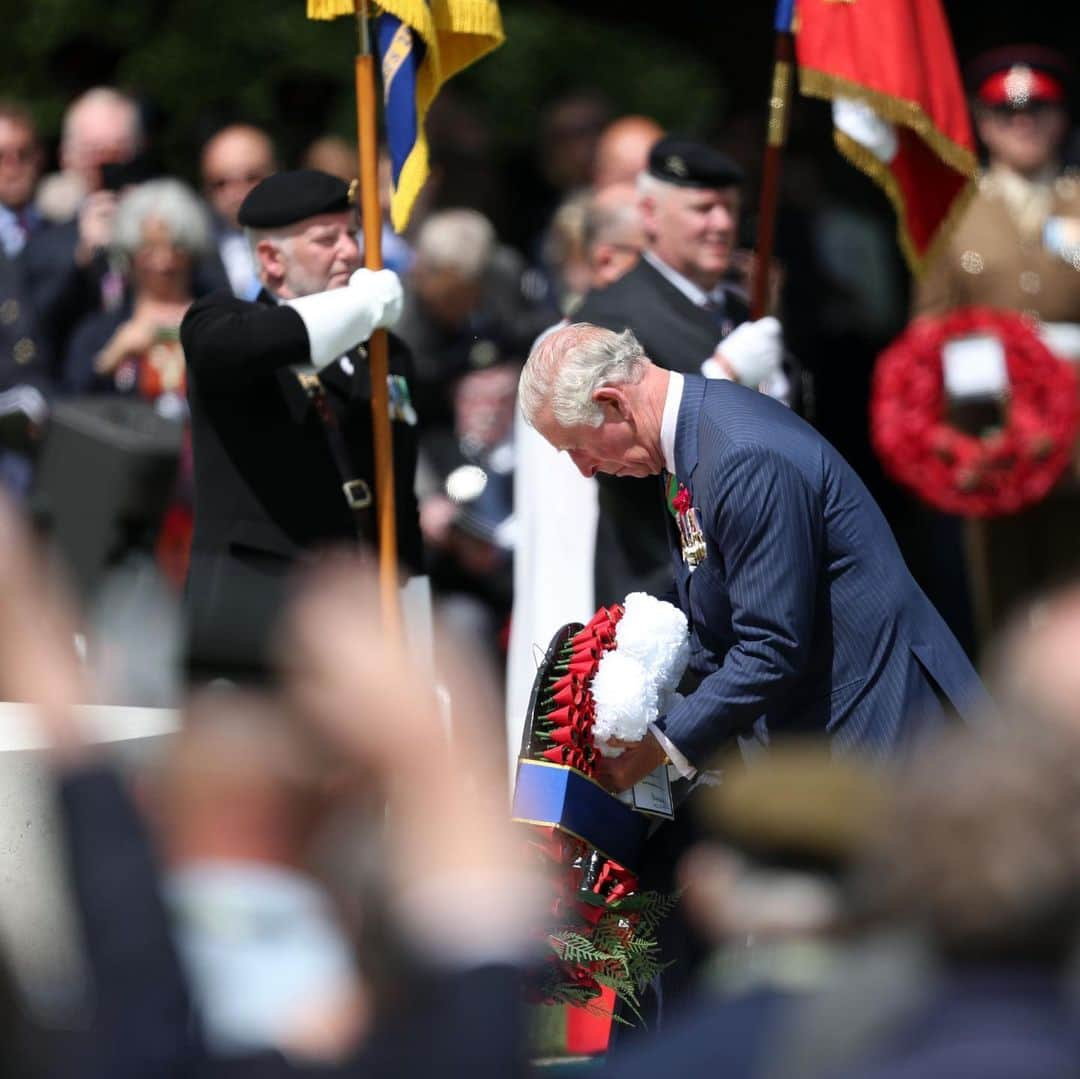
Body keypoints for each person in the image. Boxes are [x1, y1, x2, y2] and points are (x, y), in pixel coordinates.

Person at [519, 322, 989, 785]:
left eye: (577, 447)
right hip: (831, 727)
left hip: (887, 729)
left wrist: (662, 748)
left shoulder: (740, 456)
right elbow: (717, 602)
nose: (584, 470)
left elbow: (770, 646)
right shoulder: (689, 439)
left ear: (612, 403)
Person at [179, 168, 422, 684]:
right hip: (256, 615)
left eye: (352, 233)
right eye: (326, 239)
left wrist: (416, 619)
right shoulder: (222, 322)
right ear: (271, 258)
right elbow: (249, 347)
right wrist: (361, 305)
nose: (351, 251)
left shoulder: (382, 353)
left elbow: (400, 498)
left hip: (355, 616)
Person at [573, 135, 794, 603]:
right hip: (664, 585)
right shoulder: (610, 314)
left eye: (731, 209)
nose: (723, 224)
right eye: (703, 209)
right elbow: (618, 454)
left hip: (760, 574)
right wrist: (723, 375)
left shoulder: (740, 308)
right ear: (650, 214)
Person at [913, 45, 1080, 647]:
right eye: (1006, 113)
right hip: (993, 435)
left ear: (1062, 119)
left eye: (1038, 109)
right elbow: (928, 335)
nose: (1023, 122)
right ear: (983, 124)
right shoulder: (957, 214)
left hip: (1078, 440)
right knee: (1002, 604)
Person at [199, 123, 277, 299]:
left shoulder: (314, 238)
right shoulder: (193, 256)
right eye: (221, 183)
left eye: (252, 177)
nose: (237, 192)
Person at [0, 100, 45, 258]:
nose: (13, 167)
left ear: (39, 157)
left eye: (23, 154)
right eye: (1, 156)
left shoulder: (60, 224)